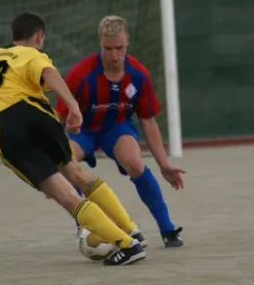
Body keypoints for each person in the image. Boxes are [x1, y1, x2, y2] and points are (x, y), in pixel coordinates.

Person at [0, 12, 146, 265]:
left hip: (3, 126)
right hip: (35, 113)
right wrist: (73, 106)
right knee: (76, 173)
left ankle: (127, 245)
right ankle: (131, 231)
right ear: (39, 37)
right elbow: (48, 73)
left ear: (12, 37)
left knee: (63, 194)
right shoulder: (31, 53)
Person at [55, 15, 185, 247]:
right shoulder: (79, 75)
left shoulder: (139, 75)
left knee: (135, 164)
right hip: (83, 130)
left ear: (128, 43)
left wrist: (164, 165)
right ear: (99, 44)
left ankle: (167, 229)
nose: (114, 55)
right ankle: (86, 224)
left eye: (119, 48)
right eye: (108, 48)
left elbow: (148, 121)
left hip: (116, 127)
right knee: (66, 162)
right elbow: (58, 117)